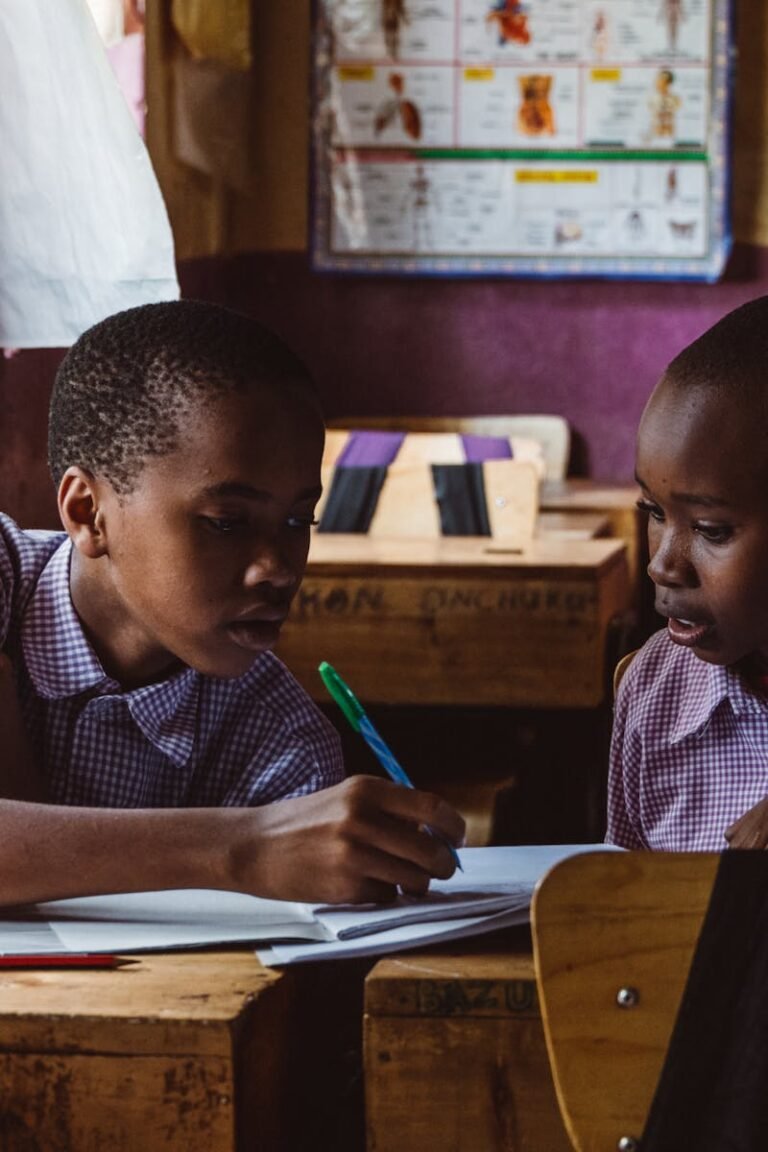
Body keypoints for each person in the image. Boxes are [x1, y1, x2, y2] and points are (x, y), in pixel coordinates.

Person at [0, 299, 464, 905]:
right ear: (88, 512)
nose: (278, 569)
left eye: (300, 518)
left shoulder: (282, 744)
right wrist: (241, 849)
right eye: (225, 522)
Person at [607, 295, 768, 851]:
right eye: (653, 512)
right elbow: (627, 912)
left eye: (711, 530)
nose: (662, 564)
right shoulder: (654, 691)